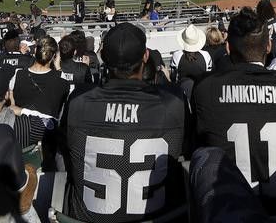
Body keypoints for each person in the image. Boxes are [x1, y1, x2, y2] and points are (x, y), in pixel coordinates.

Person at [60, 22, 188, 222]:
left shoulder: (79, 101)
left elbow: (63, 149)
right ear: (145, 56)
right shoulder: (172, 102)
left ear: (102, 55)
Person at [192, 7, 276, 212]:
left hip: (229, 212)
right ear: (268, 45)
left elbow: (197, 145)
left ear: (228, 48)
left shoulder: (205, 88)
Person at [11, 36, 69, 123]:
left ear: (35, 51)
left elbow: (12, 105)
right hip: (48, 132)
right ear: (54, 56)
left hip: (21, 127)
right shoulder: (61, 78)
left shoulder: (17, 74)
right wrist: (58, 66)